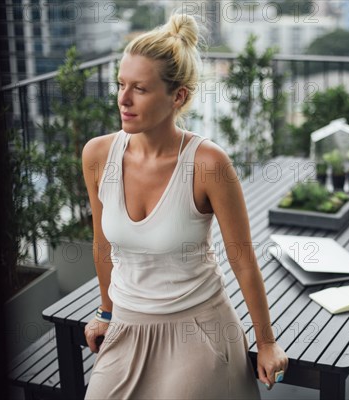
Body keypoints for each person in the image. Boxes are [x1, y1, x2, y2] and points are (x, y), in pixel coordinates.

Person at [82, 13, 288, 399]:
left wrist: (266, 341)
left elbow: (242, 258)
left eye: (139, 89)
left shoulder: (209, 164)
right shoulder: (97, 155)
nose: (123, 100)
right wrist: (106, 312)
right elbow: (102, 245)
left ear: (178, 96)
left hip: (199, 328)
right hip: (127, 324)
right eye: (120, 85)